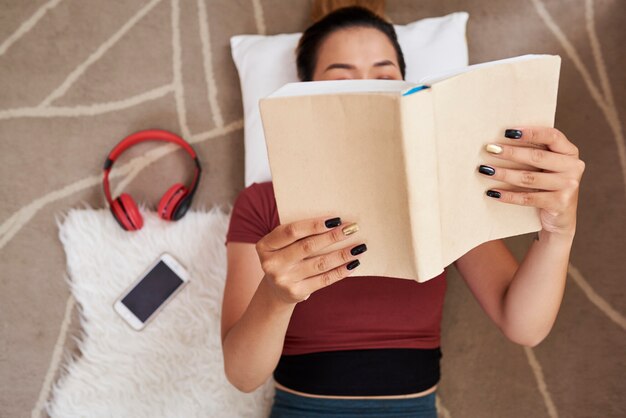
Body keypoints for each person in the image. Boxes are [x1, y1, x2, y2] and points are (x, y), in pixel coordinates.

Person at [221, 5, 585, 418]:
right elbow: (242, 375)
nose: (367, 91)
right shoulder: (262, 201)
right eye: (341, 80)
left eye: (384, 78)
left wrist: (560, 232)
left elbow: (522, 323)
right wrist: (276, 295)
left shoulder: (439, 191)